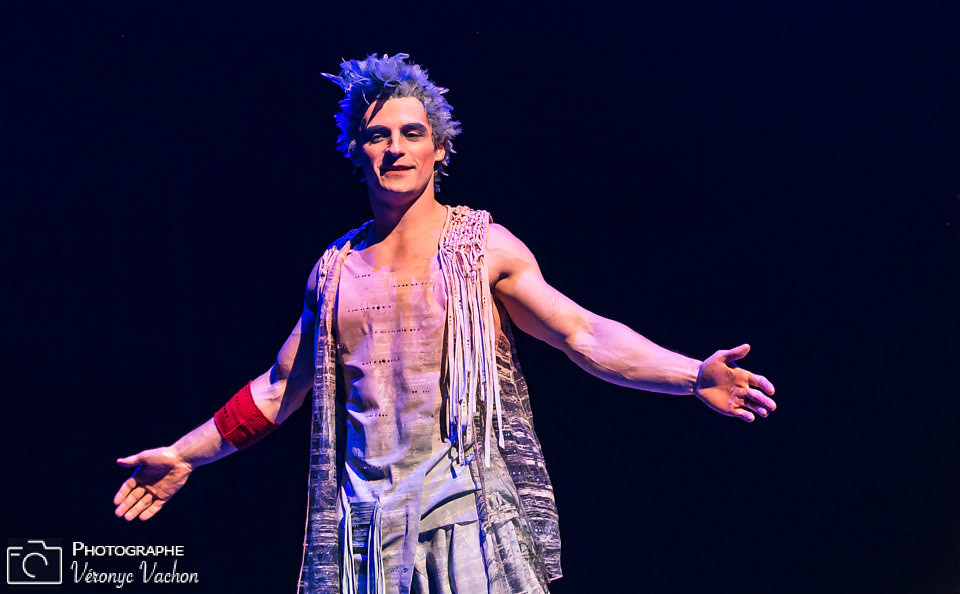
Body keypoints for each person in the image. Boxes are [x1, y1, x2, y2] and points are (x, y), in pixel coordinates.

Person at [113, 53, 777, 594]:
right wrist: (184, 454)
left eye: (411, 133)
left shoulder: (481, 247)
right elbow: (277, 389)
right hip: (368, 532)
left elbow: (583, 333)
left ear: (438, 148)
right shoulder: (335, 271)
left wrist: (691, 376)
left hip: (467, 520)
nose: (395, 148)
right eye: (378, 135)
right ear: (356, 151)